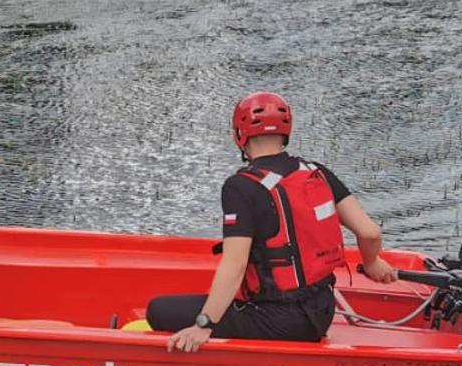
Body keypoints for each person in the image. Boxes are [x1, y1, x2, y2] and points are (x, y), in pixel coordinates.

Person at [148, 91, 398, 351]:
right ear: (286, 134)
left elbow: (235, 265)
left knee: (159, 310)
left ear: (239, 136)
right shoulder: (317, 173)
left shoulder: (240, 187)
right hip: (322, 310)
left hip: (280, 321)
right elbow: (369, 233)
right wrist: (371, 262)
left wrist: (203, 325)